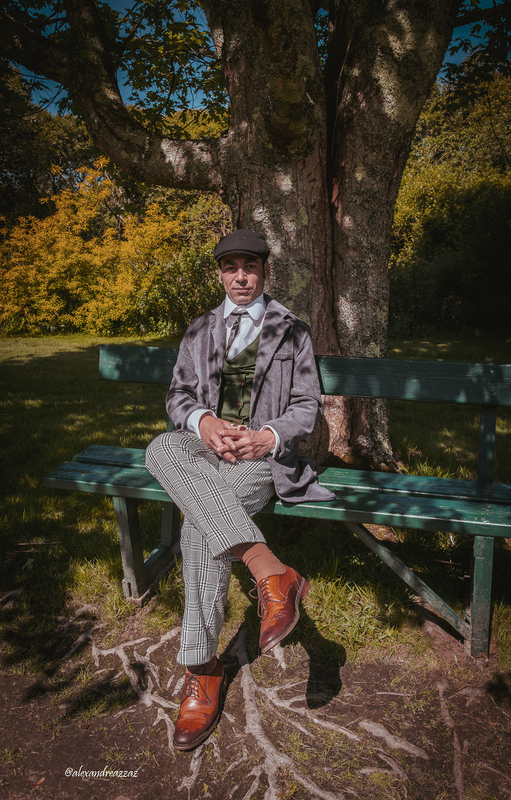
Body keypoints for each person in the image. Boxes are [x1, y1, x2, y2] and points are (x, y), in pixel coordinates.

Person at [146, 229, 334, 751]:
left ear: (264, 271)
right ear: (220, 273)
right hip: (207, 449)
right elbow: (179, 395)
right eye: (230, 267)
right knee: (161, 449)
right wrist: (203, 422)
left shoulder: (291, 331)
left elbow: (306, 405)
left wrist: (266, 435)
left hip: (259, 457)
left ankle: (202, 669)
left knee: (199, 530)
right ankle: (270, 571)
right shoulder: (200, 329)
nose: (240, 276)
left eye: (249, 266)